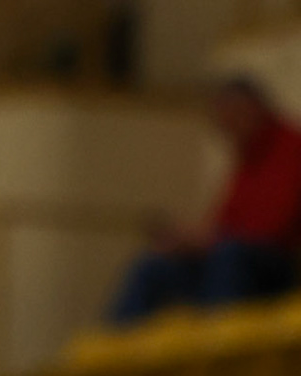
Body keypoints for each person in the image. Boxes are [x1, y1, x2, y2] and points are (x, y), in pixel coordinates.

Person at [111, 77, 301, 324]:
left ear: (252, 109)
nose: (227, 131)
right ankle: (113, 345)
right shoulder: (246, 161)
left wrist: (205, 241)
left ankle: (221, 341)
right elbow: (225, 222)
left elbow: (272, 229)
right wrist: (187, 241)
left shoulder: (291, 149)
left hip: (272, 267)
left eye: (230, 119)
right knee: (153, 266)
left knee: (228, 256)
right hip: (233, 257)